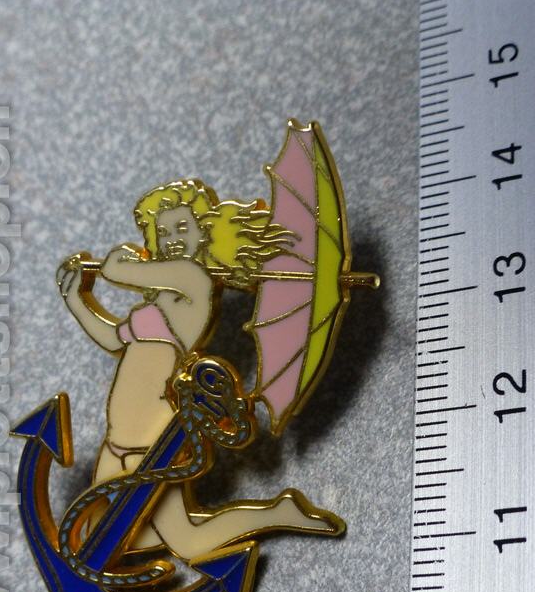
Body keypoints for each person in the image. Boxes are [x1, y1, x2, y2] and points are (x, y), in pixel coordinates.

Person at [55, 179, 343, 563]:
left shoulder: (194, 280)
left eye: (182, 227)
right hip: (117, 441)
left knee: (172, 541)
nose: (172, 239)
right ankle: (278, 512)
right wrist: (77, 299)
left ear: (204, 234)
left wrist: (118, 261)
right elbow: (113, 338)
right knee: (110, 535)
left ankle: (279, 513)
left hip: (154, 443)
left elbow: (120, 269)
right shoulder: (159, 298)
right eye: (163, 232)